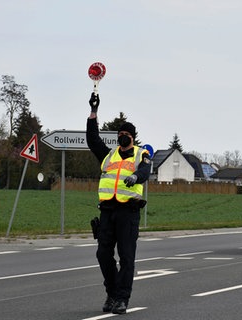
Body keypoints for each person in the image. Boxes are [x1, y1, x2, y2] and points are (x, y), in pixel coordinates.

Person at [86, 92, 151, 314]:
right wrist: (93, 113)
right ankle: (112, 292)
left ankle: (122, 299)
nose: (122, 136)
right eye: (120, 133)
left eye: (126, 134)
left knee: (126, 257)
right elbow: (93, 140)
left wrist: (136, 177)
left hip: (128, 213)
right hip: (107, 212)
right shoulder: (108, 155)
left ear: (132, 137)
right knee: (103, 254)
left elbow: (145, 170)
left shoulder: (141, 155)